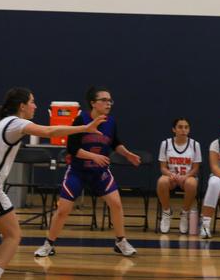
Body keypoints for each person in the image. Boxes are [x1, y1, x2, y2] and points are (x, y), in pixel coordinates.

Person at [0, 88, 105, 280]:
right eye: (32, 102)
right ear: (22, 106)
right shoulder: (16, 123)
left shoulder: (0, 123)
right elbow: (50, 131)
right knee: (13, 235)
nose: (35, 106)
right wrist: (85, 127)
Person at [34, 86, 142, 258]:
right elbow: (72, 148)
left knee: (116, 203)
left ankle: (121, 242)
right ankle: (49, 244)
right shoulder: (80, 120)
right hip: (78, 171)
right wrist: (93, 156)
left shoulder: (110, 122)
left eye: (110, 100)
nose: (108, 103)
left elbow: (115, 143)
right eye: (104, 100)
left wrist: (127, 154)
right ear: (93, 103)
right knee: (63, 209)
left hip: (99, 172)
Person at [156, 118, 201, 234]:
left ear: (189, 129)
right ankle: (167, 212)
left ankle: (184, 213)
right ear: (174, 129)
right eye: (180, 127)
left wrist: (185, 176)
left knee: (192, 183)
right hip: (171, 177)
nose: (183, 130)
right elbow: (163, 167)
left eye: (186, 127)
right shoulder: (166, 144)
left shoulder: (195, 145)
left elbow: (196, 168)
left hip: (187, 177)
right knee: (161, 181)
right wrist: (171, 174)